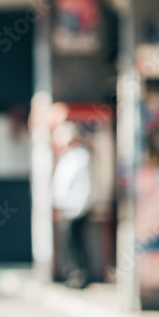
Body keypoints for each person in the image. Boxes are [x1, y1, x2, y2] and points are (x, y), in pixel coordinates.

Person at [51, 122, 94, 289]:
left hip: (76, 208)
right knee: (69, 244)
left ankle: (79, 275)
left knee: (76, 244)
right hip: (68, 207)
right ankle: (73, 275)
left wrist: (78, 206)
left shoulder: (80, 156)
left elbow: (81, 185)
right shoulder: (69, 157)